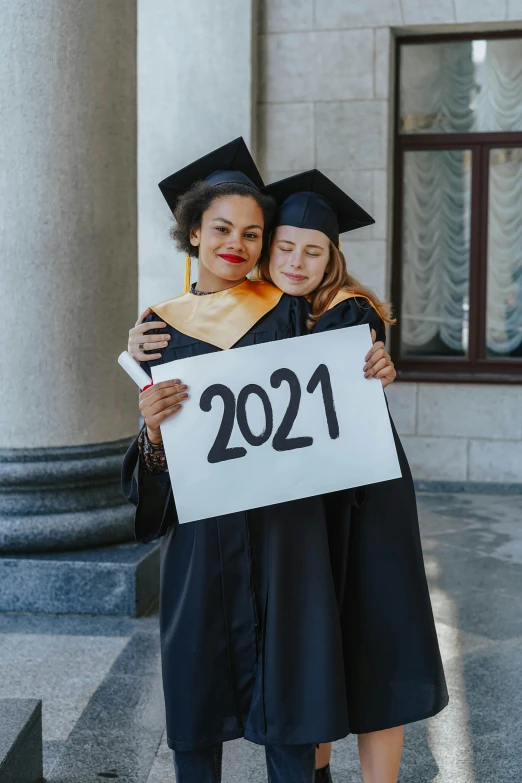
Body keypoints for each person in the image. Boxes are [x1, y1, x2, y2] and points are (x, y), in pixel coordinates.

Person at [123, 139, 358, 783]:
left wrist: (376, 364)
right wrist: (152, 433)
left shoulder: (291, 310)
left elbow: (342, 388)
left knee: (293, 701)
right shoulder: (157, 329)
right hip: (202, 546)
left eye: (253, 233)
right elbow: (154, 480)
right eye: (222, 228)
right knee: (198, 695)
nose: (238, 243)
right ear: (193, 232)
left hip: (287, 537)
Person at [259, 169, 449, 783]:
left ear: (332, 257)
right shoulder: (261, 310)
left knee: (373, 640)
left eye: (313, 251)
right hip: (305, 507)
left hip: (365, 502)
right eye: (285, 246)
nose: (297, 260)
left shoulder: (351, 312)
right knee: (318, 649)